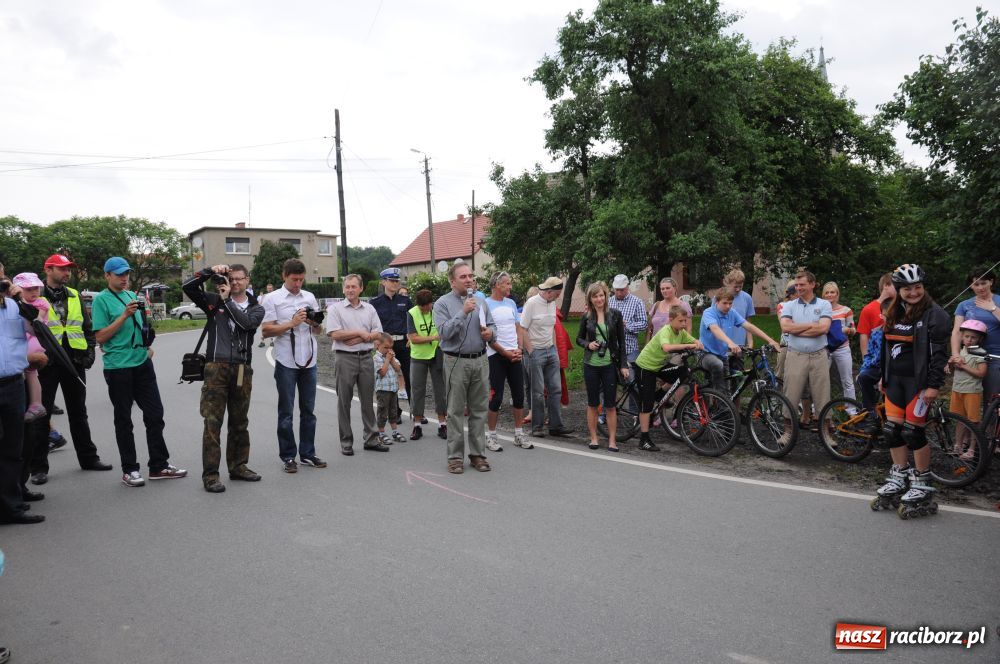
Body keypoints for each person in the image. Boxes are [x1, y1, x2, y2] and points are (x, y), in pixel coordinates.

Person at [92, 257, 187, 487]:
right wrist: (123, 315)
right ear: (107, 276)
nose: (124, 278)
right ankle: (130, 469)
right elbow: (100, 337)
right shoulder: (101, 301)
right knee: (124, 419)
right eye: (118, 274)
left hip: (141, 362)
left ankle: (159, 465)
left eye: (126, 273)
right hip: (118, 367)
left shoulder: (131, 295)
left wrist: (146, 345)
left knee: (155, 414)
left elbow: (140, 327)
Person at [871, 264, 950, 517]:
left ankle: (922, 483)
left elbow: (939, 356)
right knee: (893, 431)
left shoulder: (935, 315)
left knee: (913, 432)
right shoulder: (894, 311)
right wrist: (883, 376)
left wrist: (933, 386)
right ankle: (899, 475)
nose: (913, 292)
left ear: (923, 287)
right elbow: (886, 348)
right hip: (895, 381)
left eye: (917, 287)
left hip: (919, 384)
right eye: (907, 288)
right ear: (899, 290)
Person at [183, 263, 265, 493]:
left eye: (240, 278)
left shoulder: (257, 308)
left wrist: (227, 300)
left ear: (248, 280)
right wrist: (209, 270)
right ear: (227, 280)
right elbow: (188, 286)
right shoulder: (213, 300)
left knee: (240, 422)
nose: (236, 282)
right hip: (215, 367)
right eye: (232, 278)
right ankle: (210, 475)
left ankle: (238, 466)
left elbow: (246, 324)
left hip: (241, 369)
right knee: (212, 423)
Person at [31, 253, 112, 485]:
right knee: (41, 414)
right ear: (48, 270)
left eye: (69, 269)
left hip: (73, 361)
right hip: (46, 362)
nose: (67, 273)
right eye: (62, 269)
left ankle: (88, 459)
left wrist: (88, 353)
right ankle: (38, 468)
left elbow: (87, 328)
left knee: (79, 412)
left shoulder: (75, 294)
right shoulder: (36, 295)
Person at [261, 259, 325, 472]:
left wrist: (313, 323)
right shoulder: (272, 299)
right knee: (286, 411)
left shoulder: (309, 297)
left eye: (301, 279)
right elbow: (266, 331)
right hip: (286, 361)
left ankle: (308, 453)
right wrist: (292, 323)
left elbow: (319, 331)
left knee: (309, 411)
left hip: (309, 360)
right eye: (294, 279)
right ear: (284, 276)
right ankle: (288, 456)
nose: (298, 283)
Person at [433, 261, 497, 473]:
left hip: (480, 359)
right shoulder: (442, 304)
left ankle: (478, 455)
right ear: (452, 281)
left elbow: (492, 325)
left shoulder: (481, 301)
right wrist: (462, 312)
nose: (469, 279)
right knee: (455, 411)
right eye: (463, 277)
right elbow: (444, 333)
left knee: (479, 410)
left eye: (471, 276)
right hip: (455, 361)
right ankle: (455, 457)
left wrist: (491, 333)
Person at [0, 273, 46, 524]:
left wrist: (18, 298)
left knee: (12, 449)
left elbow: (36, 327)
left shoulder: (15, 308)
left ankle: (12, 508)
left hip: (13, 383)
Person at [326, 273, 386, 455]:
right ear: (343, 289)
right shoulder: (335, 309)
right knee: (344, 401)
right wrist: (361, 333)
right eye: (347, 287)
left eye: (354, 287)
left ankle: (371, 438)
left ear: (361, 288)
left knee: (368, 401)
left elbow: (379, 333)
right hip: (345, 358)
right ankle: (346, 441)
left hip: (366, 357)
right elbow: (334, 334)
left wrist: (362, 337)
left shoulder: (370, 309)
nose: (350, 290)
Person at [635, 305, 704, 451]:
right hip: (646, 366)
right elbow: (666, 348)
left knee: (681, 373)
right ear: (671, 320)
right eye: (681, 321)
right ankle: (644, 439)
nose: (684, 324)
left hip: (659, 365)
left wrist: (697, 343)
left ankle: (659, 396)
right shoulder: (666, 330)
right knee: (646, 405)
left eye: (685, 321)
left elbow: (693, 340)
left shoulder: (680, 331)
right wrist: (690, 345)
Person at [576, 282, 629, 451]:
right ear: (590, 299)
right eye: (595, 296)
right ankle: (594, 438)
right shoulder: (586, 317)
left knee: (611, 405)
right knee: (592, 403)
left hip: (609, 365)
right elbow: (578, 338)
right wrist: (588, 344)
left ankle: (612, 440)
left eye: (601, 295)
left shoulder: (615, 315)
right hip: (591, 364)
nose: (599, 299)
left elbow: (622, 343)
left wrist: (623, 365)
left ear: (606, 296)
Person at [780, 271, 833, 432]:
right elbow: (786, 327)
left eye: (802, 284)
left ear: (812, 284)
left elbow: (824, 328)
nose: (798, 288)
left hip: (819, 355)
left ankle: (825, 433)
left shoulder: (824, 304)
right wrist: (811, 325)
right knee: (791, 393)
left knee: (822, 394)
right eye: (796, 285)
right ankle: (787, 432)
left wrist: (797, 329)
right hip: (795, 354)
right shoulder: (789, 305)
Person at [521, 277, 573, 438]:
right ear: (549, 292)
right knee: (537, 392)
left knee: (556, 389)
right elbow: (522, 329)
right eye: (557, 294)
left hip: (551, 350)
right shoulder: (532, 303)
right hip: (535, 351)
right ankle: (537, 427)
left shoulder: (551, 303)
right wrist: (530, 350)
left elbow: (552, 328)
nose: (558, 297)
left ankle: (555, 426)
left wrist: (555, 350)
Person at [700, 291, 781, 392]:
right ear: (716, 302)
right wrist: (730, 343)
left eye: (730, 303)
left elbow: (749, 326)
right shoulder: (708, 313)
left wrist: (770, 340)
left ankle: (725, 404)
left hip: (722, 354)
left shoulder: (732, 313)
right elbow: (715, 329)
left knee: (728, 389)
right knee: (718, 368)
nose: (728, 306)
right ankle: (715, 401)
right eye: (725, 303)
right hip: (706, 353)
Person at [485, 271, 528, 451]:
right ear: (497, 285)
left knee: (519, 396)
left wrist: (519, 348)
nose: (510, 287)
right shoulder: (485, 304)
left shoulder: (511, 303)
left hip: (514, 354)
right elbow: (486, 335)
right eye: (507, 283)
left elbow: (518, 327)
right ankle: (491, 436)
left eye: (510, 283)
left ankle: (519, 434)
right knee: (496, 397)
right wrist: (504, 352)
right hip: (496, 355)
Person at [951, 266, 1000, 415]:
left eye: (983, 283)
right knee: (967, 399)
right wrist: (955, 354)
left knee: (992, 400)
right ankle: (969, 438)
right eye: (976, 284)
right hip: (970, 358)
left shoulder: (998, 301)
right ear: (971, 285)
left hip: (995, 358)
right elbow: (956, 331)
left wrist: (992, 308)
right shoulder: (964, 305)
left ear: (991, 282)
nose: (980, 287)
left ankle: (990, 436)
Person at [406, 289, 447, 441]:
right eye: (422, 307)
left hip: (437, 354)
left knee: (440, 389)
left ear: (431, 303)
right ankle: (417, 425)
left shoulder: (437, 310)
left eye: (427, 306)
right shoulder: (412, 313)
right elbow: (413, 338)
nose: (424, 309)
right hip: (418, 356)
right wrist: (434, 336)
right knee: (417, 390)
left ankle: (442, 424)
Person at [370, 268, 412, 404]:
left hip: (404, 344)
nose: (395, 283)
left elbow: (413, 319)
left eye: (397, 281)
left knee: (409, 376)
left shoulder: (405, 301)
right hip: (386, 345)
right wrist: (376, 341)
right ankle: (396, 412)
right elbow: (373, 324)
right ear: (383, 282)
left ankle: (416, 411)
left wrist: (411, 335)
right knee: (390, 376)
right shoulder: (375, 303)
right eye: (392, 281)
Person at [607, 274, 647, 417]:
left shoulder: (637, 302)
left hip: (630, 349)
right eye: (616, 290)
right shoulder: (608, 302)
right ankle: (607, 412)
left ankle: (634, 413)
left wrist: (627, 325)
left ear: (627, 287)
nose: (618, 293)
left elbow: (644, 324)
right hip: (610, 349)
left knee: (632, 381)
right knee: (608, 381)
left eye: (622, 290)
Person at [948, 320, 988, 460]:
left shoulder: (980, 353)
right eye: (966, 336)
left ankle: (972, 449)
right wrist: (950, 365)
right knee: (959, 419)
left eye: (973, 337)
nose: (969, 340)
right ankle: (958, 446)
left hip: (972, 391)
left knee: (973, 420)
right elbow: (953, 368)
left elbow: (981, 373)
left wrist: (963, 366)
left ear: (980, 339)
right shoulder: (961, 351)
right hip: (957, 389)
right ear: (962, 337)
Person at [11, 274, 48, 422]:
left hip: (35, 341)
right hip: (26, 341)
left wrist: (21, 299)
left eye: (36, 288)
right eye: (28, 289)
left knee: (30, 370)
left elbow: (36, 321)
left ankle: (36, 404)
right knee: (30, 373)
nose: (34, 292)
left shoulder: (41, 303)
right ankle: (35, 403)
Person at [856, 300, 891, 434]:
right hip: (876, 367)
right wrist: (863, 370)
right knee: (864, 377)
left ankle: (889, 420)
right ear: (881, 316)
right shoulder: (876, 332)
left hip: (891, 369)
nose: (890, 319)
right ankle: (872, 415)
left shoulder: (899, 333)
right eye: (887, 315)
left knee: (889, 386)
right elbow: (869, 355)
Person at [822, 281, 857, 402]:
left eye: (832, 292)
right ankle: (818, 409)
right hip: (824, 349)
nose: (830, 295)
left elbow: (854, 329)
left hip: (842, 348)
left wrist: (848, 330)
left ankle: (852, 410)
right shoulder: (819, 311)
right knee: (820, 380)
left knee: (847, 380)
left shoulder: (846, 310)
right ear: (823, 295)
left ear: (837, 294)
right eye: (827, 292)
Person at [373, 333, 407, 444]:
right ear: (378, 345)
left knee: (393, 411)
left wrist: (391, 359)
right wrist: (387, 360)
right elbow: (382, 372)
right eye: (385, 347)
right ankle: (381, 433)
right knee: (382, 411)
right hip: (382, 390)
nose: (388, 350)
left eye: (390, 348)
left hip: (393, 389)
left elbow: (397, 368)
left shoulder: (392, 357)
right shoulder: (376, 358)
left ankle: (395, 432)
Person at [713, 269, 756, 347]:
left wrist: (750, 342)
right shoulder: (718, 297)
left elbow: (748, 322)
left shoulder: (747, 298)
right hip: (722, 342)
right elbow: (713, 321)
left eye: (740, 286)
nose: (738, 289)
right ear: (729, 284)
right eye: (735, 287)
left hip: (739, 342)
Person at [857, 272, 895, 357]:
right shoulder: (868, 309)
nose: (899, 289)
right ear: (886, 285)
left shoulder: (900, 307)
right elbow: (864, 336)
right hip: (876, 356)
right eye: (896, 285)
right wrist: (866, 360)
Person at [257, 283, 275, 348]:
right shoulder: (264, 296)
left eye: (270, 288)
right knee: (263, 328)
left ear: (272, 289)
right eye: (268, 288)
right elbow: (260, 304)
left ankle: (272, 341)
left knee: (272, 328)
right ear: (267, 289)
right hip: (265, 314)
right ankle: (262, 342)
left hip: (272, 314)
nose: (269, 289)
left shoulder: (275, 295)